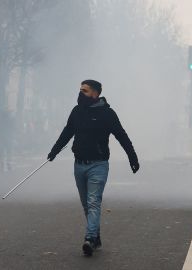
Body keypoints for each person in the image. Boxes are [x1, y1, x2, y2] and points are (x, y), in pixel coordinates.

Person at [47, 79, 139, 256]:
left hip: (98, 165)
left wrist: (132, 157)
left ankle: (89, 239)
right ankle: (96, 237)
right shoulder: (76, 111)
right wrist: (54, 151)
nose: (81, 93)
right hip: (79, 165)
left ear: (96, 94)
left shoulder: (107, 114)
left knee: (93, 202)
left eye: (85, 91)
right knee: (86, 205)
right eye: (80, 90)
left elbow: (122, 136)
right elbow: (67, 132)